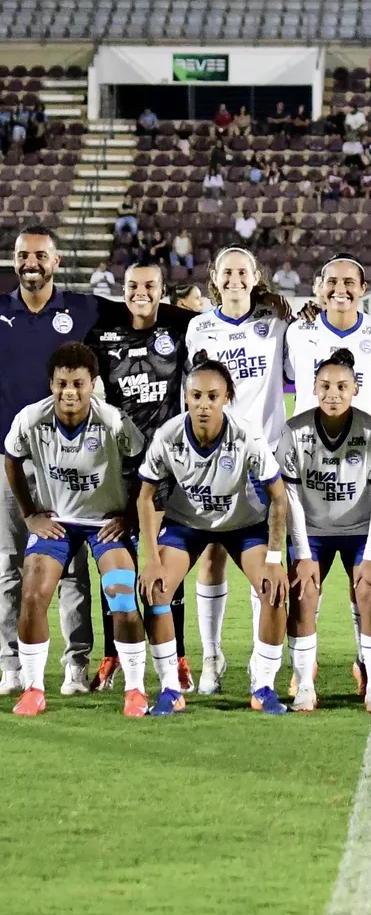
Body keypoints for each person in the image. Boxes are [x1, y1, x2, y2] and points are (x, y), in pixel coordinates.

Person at [138, 355, 290, 716]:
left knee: (274, 591)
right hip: (186, 525)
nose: (203, 405)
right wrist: (151, 560)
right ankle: (170, 689)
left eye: (212, 396)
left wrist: (274, 559)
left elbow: (279, 497)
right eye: (196, 396)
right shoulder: (168, 435)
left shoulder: (247, 435)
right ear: (186, 397)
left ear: (226, 398)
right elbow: (145, 496)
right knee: (156, 589)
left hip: (243, 524)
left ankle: (264, 686)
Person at [6, 344, 147, 718]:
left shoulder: (113, 422)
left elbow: (144, 466)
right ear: (51, 384)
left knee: (120, 597)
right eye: (62, 383)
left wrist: (129, 516)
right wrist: (30, 514)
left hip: (105, 523)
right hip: (59, 523)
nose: (70, 391)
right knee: (33, 594)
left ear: (92, 384)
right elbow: (12, 460)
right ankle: (34, 689)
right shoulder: (31, 419)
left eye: (78, 384)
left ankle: (136, 689)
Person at [0, 224, 104, 697]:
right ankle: (11, 663)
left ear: (56, 262)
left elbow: (144, 310)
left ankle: (75, 663)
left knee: (71, 568)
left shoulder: (83, 308)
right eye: (23, 255)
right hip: (10, 460)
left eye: (40, 256)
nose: (31, 263)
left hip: (68, 461)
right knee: (9, 565)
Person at [85, 262, 196, 693]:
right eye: (133, 286)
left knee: (168, 563)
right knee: (114, 561)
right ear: (123, 289)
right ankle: (114, 655)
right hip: (117, 469)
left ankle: (179, 654)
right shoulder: (103, 337)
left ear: (162, 290)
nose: (140, 293)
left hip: (168, 467)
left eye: (149, 286)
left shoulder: (181, 335)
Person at [185, 248, 290, 693]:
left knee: (264, 557)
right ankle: (211, 656)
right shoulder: (199, 328)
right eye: (226, 272)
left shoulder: (276, 326)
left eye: (241, 272)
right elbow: (190, 395)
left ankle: (258, 662)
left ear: (254, 277)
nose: (234, 279)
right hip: (213, 460)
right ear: (215, 277)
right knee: (211, 557)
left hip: (265, 459)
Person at [278, 349, 371, 713]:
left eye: (342, 386)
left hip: (361, 530)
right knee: (303, 596)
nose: (333, 393)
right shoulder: (293, 431)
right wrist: (302, 553)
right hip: (312, 530)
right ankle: (305, 686)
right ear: (312, 388)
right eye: (325, 386)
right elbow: (290, 497)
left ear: (356, 388)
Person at [286, 256, 371, 418]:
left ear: (363, 287)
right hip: (308, 439)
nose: (340, 289)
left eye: (349, 282)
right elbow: (292, 382)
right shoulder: (297, 331)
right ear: (321, 286)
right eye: (332, 281)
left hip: (361, 439)